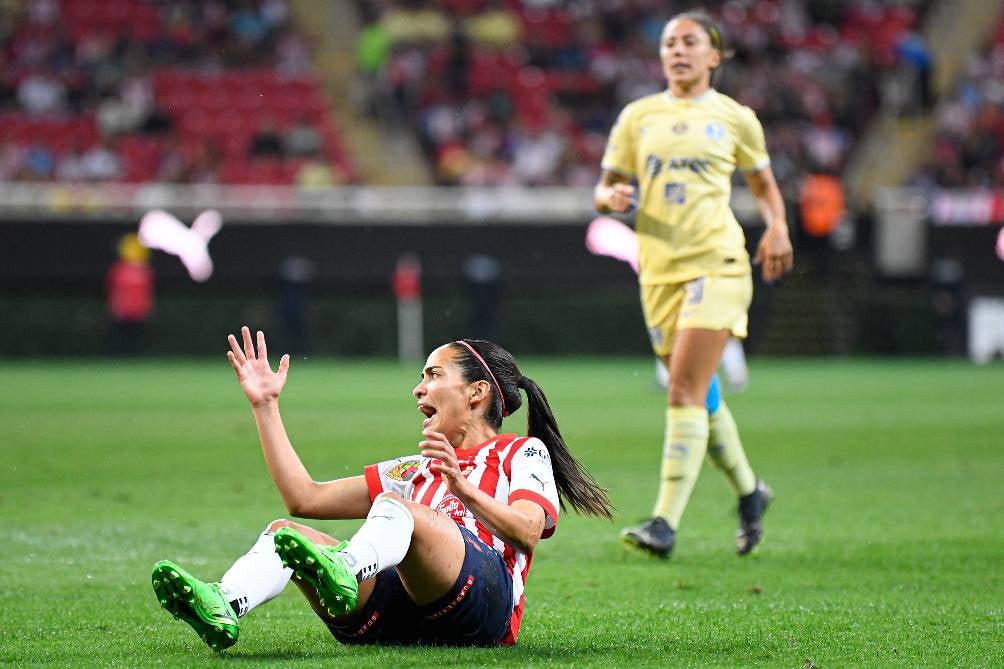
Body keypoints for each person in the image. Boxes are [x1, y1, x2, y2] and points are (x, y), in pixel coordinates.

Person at [151, 327, 612, 650]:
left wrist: (462, 487)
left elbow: (528, 532)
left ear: (476, 393)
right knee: (284, 533)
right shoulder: (415, 468)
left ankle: (346, 570)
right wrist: (265, 406)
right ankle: (224, 603)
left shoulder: (522, 451)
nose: (418, 389)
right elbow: (304, 498)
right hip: (406, 615)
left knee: (399, 508)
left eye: (433, 375)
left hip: (482, 608)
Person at [593, 11, 793, 559]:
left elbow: (764, 186)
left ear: (714, 56)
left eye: (690, 42)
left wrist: (777, 226)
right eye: (669, 43)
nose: (678, 51)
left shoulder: (735, 118)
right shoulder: (638, 116)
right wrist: (610, 198)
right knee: (700, 394)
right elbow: (605, 188)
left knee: (682, 388)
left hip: (718, 263)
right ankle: (751, 493)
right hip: (658, 270)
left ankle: (664, 522)